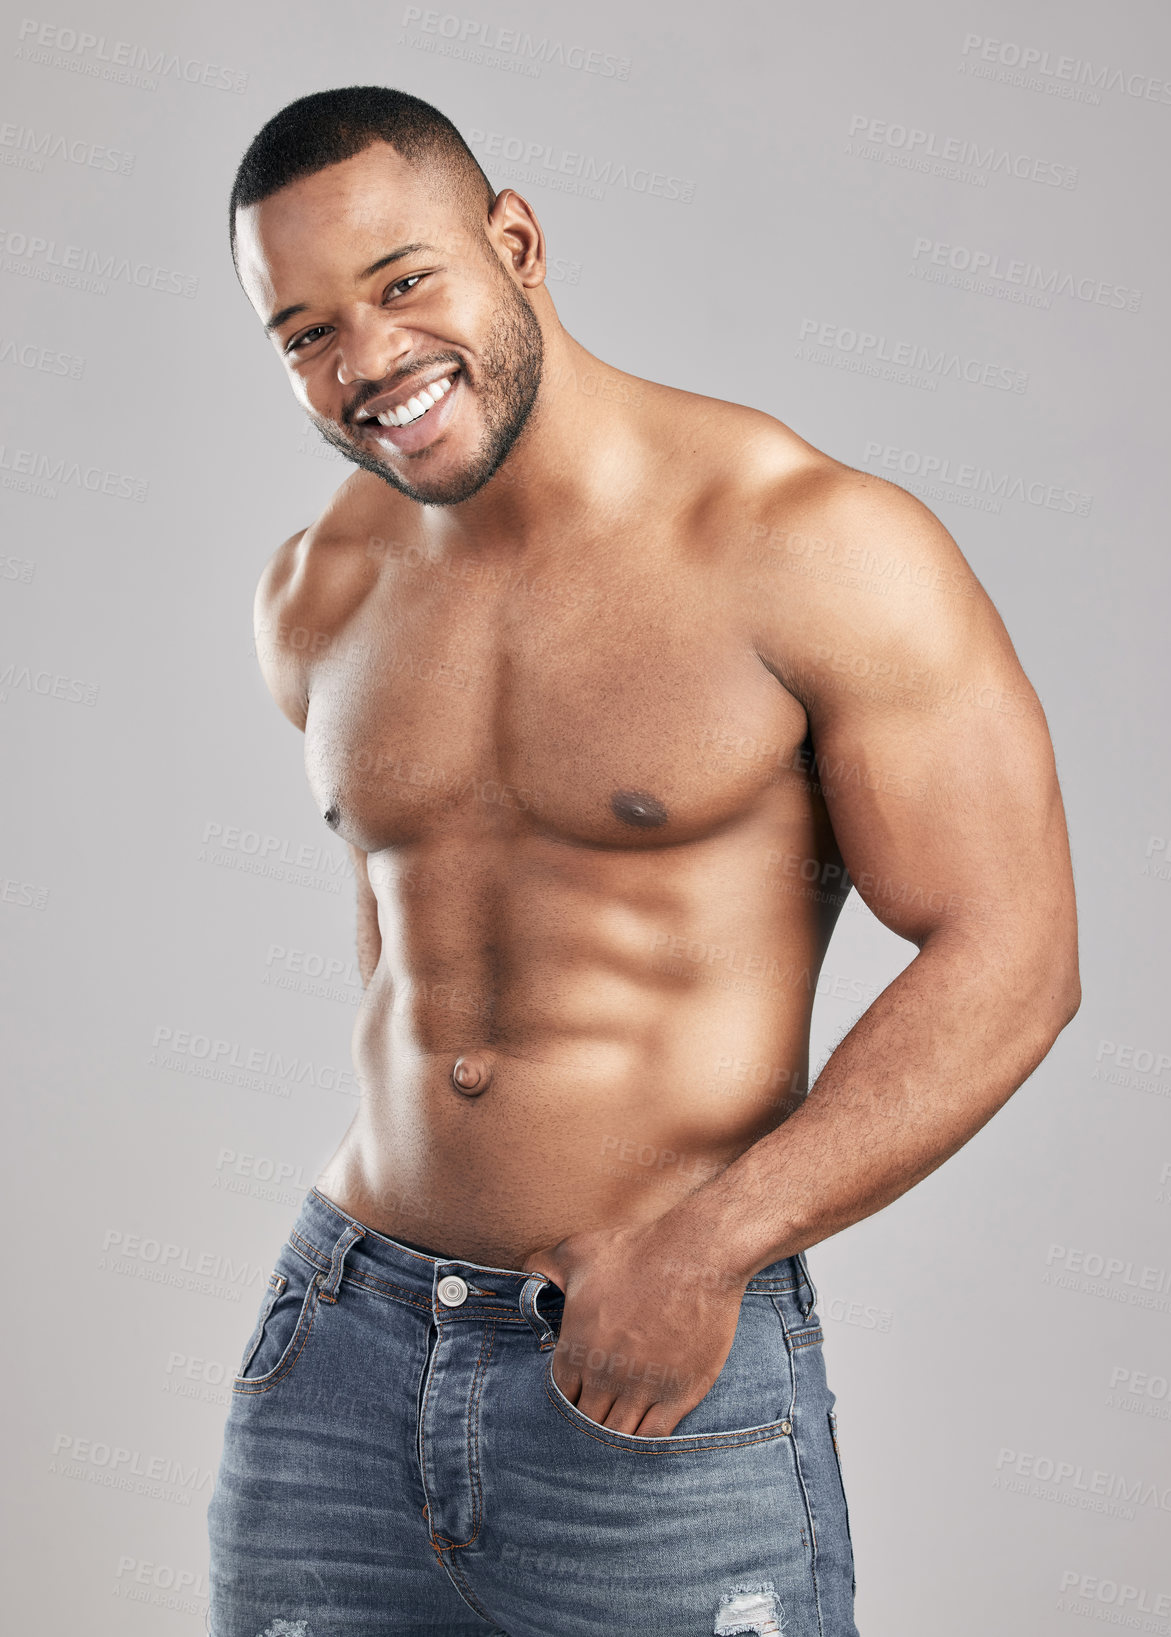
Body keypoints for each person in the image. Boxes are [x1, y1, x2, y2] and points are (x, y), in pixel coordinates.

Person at [206, 85, 1080, 1637]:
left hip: (649, 1372)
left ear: (518, 240)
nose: (369, 361)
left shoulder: (811, 542)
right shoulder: (319, 587)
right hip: (336, 1364)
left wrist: (713, 1243)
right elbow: (425, 942)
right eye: (305, 331)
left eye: (405, 282)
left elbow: (1013, 951)